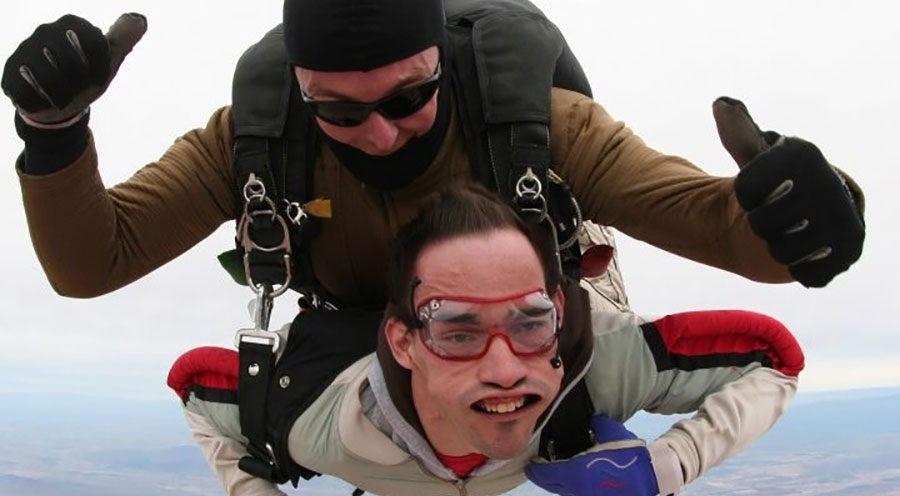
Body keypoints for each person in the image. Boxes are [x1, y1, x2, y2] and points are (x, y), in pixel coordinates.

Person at [3, 0, 865, 315]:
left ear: (440, 65)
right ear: (300, 86)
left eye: (408, 98)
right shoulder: (256, 135)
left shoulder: (534, 119)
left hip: (527, 336)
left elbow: (720, 227)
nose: (379, 132)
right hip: (362, 340)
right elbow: (90, 264)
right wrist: (54, 138)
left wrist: (821, 214)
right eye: (337, 109)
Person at [167, 185, 805, 496]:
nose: (504, 370)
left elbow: (774, 359)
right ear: (404, 343)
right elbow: (194, 393)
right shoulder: (305, 414)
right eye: (458, 333)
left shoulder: (599, 365)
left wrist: (663, 469)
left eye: (531, 324)